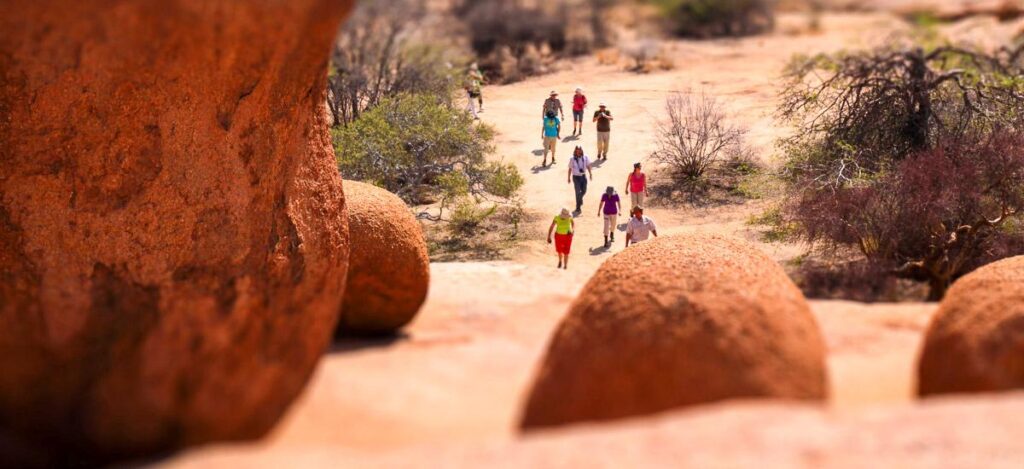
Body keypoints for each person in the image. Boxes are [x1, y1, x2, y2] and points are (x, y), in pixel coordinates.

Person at [567, 146, 593, 214]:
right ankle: (578, 207)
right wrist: (568, 178)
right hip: (576, 177)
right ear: (575, 151)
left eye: (580, 150)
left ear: (582, 150)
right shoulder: (572, 159)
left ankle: (580, 199)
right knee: (577, 192)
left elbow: (588, 166)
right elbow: (570, 168)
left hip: (583, 176)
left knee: (584, 191)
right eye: (577, 150)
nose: (578, 151)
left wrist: (590, 173)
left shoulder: (585, 157)